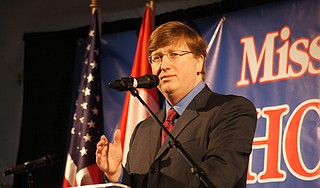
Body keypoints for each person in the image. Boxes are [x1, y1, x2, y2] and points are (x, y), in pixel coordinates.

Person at [96, 21, 257, 188]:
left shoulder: (231, 110)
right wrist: (117, 176)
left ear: (199, 62)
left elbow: (219, 178)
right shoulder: (143, 129)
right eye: (157, 57)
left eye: (174, 54)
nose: (164, 65)